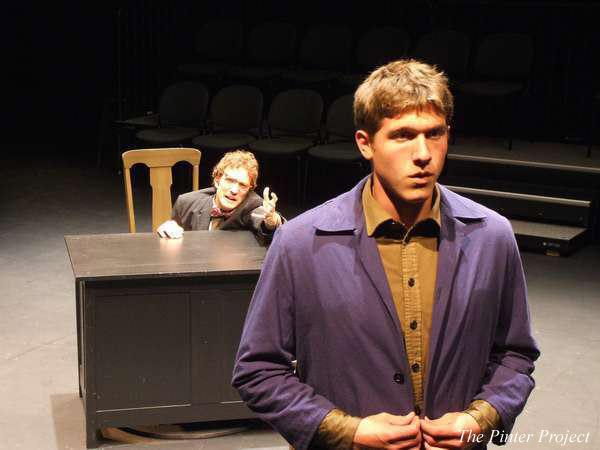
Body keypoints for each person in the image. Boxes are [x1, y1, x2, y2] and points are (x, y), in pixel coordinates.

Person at [232, 60, 540, 450]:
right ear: (365, 143)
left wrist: (480, 418)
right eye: (403, 136)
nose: (424, 153)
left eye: (435, 134)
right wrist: (349, 431)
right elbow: (258, 371)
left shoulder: (491, 236)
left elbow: (516, 354)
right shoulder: (300, 242)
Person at [157, 150, 282, 239]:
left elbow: (267, 222)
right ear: (217, 180)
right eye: (230, 180)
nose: (234, 190)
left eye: (242, 185)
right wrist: (168, 229)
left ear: (249, 189)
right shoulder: (186, 203)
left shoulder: (252, 205)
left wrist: (272, 221)